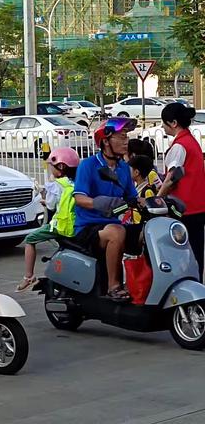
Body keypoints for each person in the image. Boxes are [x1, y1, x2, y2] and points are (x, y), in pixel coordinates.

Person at [73, 117, 140, 302]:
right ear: (105, 141)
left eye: (127, 136)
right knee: (117, 232)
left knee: (146, 233)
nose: (126, 140)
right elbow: (79, 198)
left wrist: (158, 201)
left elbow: (132, 198)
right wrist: (98, 203)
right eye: (121, 136)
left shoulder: (124, 168)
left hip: (112, 224)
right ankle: (113, 286)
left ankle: (143, 282)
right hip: (89, 227)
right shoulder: (88, 165)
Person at [16, 147, 80, 292]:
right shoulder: (79, 182)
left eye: (51, 166)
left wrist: (45, 200)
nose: (50, 170)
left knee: (30, 239)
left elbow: (51, 205)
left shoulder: (57, 185)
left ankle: (28, 277)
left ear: (61, 166)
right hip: (79, 226)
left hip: (61, 226)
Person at [157, 103, 205, 282]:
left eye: (164, 123)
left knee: (183, 254)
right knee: (196, 253)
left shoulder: (179, 146)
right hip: (198, 206)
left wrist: (157, 198)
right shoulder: (191, 141)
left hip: (184, 209)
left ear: (174, 123)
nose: (162, 126)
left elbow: (172, 178)